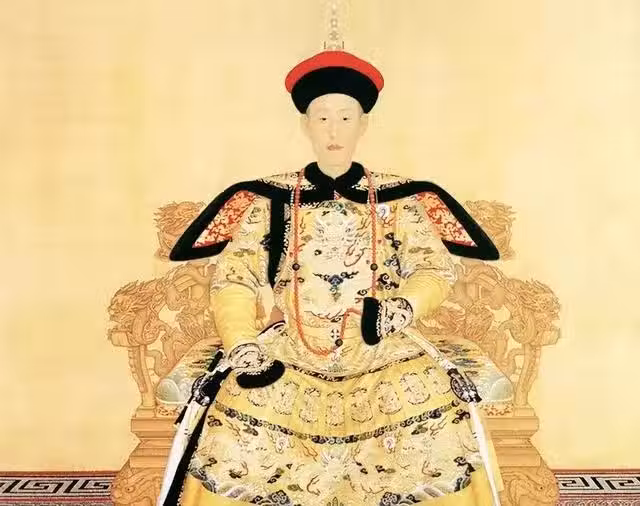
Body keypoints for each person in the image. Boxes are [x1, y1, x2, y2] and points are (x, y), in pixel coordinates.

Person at [158, 49, 504, 506]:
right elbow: (235, 278)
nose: (334, 131)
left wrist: (402, 308)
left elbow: (433, 268)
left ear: (364, 124)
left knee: (436, 419)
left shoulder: (399, 198)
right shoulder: (270, 199)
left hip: (382, 345)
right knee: (234, 425)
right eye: (322, 118)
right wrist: (241, 342)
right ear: (305, 124)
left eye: (345, 117)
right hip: (292, 345)